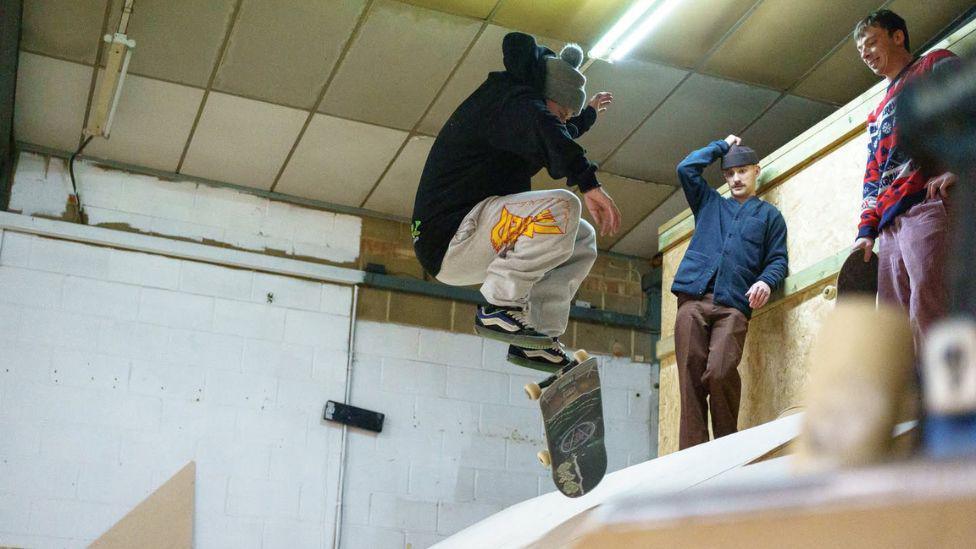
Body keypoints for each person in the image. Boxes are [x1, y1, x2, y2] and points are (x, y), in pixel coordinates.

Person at [411, 32, 621, 370]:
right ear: (544, 98)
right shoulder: (509, 100)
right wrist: (588, 182)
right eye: (563, 113)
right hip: (450, 235)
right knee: (563, 206)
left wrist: (589, 114)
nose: (564, 121)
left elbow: (556, 132)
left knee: (580, 237)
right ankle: (499, 307)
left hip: (471, 242)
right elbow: (547, 128)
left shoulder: (525, 115)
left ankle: (537, 337)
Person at [851, 9, 960, 348]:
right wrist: (866, 230)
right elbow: (873, 174)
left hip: (925, 206)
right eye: (860, 51)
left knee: (933, 311)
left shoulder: (935, 65)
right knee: (898, 330)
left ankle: (955, 398)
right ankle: (922, 400)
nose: (866, 53)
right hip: (888, 226)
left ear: (898, 36)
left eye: (871, 42)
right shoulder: (877, 110)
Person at [672, 135, 788, 449]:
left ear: (756, 171)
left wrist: (765, 281)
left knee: (720, 372)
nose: (735, 178)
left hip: (733, 306)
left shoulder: (769, 217)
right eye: (729, 173)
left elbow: (778, 260)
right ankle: (691, 455)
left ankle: (725, 448)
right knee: (690, 376)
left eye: (742, 171)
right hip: (693, 300)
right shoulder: (709, 203)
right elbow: (686, 169)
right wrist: (720, 147)